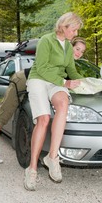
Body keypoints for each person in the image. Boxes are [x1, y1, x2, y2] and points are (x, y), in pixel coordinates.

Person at [0, 38, 87, 167]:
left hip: (31, 83)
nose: (79, 53)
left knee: (3, 115)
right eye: (77, 49)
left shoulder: (68, 64)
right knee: (3, 115)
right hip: (21, 80)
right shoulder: (59, 57)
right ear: (70, 47)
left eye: (82, 51)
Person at [24, 12, 83, 191]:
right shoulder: (46, 40)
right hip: (38, 79)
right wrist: (65, 82)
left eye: (76, 30)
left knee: (63, 102)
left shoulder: (67, 46)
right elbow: (41, 68)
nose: (75, 34)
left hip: (55, 82)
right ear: (63, 27)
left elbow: (71, 70)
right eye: (73, 30)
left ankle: (52, 157)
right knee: (43, 119)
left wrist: (85, 83)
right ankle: (32, 168)